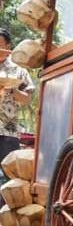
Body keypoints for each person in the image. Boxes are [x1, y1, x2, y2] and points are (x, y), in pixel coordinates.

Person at [0, 29, 35, 196]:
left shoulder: (19, 72)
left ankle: (4, 215)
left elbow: (27, 99)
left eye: (0, 45)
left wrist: (12, 90)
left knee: (10, 177)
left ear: (8, 47)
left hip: (8, 132)